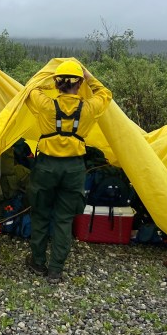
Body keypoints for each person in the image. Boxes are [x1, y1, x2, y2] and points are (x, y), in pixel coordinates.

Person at [25, 60, 112, 283]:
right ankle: (55, 270)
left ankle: (37, 261)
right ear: (79, 83)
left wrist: (48, 78)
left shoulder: (45, 104)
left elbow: (30, 88)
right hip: (74, 169)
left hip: (46, 167)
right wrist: (89, 76)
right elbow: (105, 93)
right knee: (64, 219)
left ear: (57, 82)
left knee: (41, 214)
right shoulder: (90, 107)